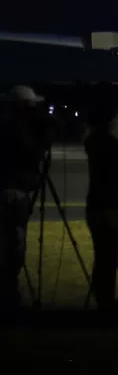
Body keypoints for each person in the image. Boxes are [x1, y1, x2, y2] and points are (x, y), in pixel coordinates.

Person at [0, 85, 48, 318]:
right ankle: (9, 298)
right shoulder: (17, 130)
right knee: (14, 246)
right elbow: (32, 154)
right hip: (14, 193)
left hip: (13, 192)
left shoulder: (10, 125)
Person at [83, 98, 118, 311]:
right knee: (109, 258)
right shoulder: (108, 143)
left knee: (102, 256)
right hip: (110, 205)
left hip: (96, 204)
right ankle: (105, 301)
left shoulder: (92, 140)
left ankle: (103, 298)